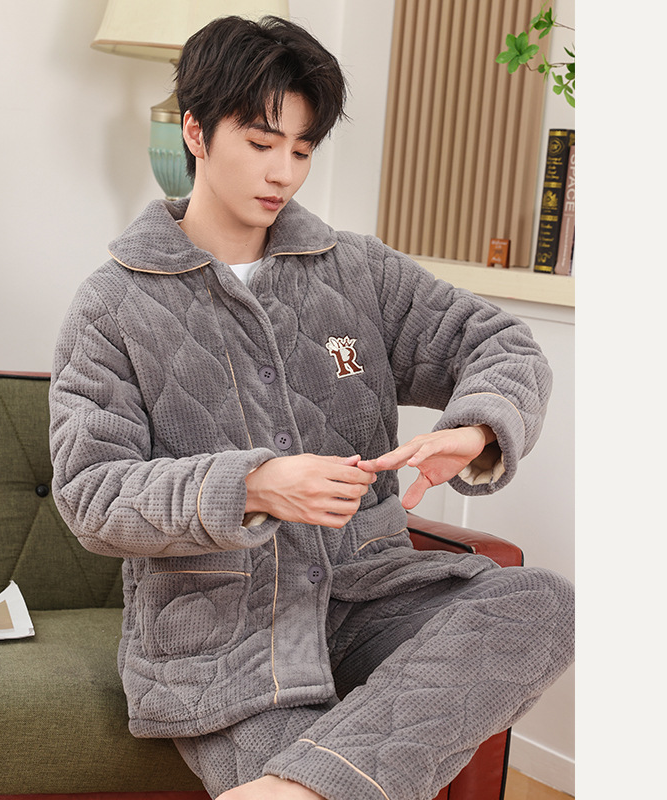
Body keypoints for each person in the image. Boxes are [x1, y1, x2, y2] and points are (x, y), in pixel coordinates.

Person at [49, 15, 574, 800]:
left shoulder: (355, 270)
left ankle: (293, 789)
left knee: (544, 603)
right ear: (195, 131)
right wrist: (254, 486)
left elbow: (501, 344)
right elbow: (92, 495)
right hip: (224, 640)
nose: (283, 173)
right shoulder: (112, 305)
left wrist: (474, 428)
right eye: (262, 143)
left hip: (371, 592)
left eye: (301, 150)